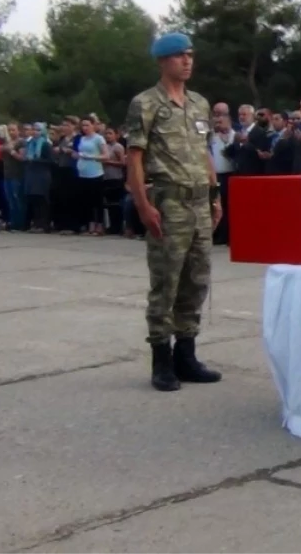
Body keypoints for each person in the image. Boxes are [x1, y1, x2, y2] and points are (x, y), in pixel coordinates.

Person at [124, 32, 224, 392]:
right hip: (168, 202)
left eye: (190, 55)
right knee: (166, 282)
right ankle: (161, 360)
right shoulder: (145, 104)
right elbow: (134, 157)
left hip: (199, 202)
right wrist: (143, 204)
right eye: (180, 55)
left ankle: (187, 355)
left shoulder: (199, 103)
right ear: (163, 61)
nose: (187, 61)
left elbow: (204, 153)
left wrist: (215, 196)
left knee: (196, 281)